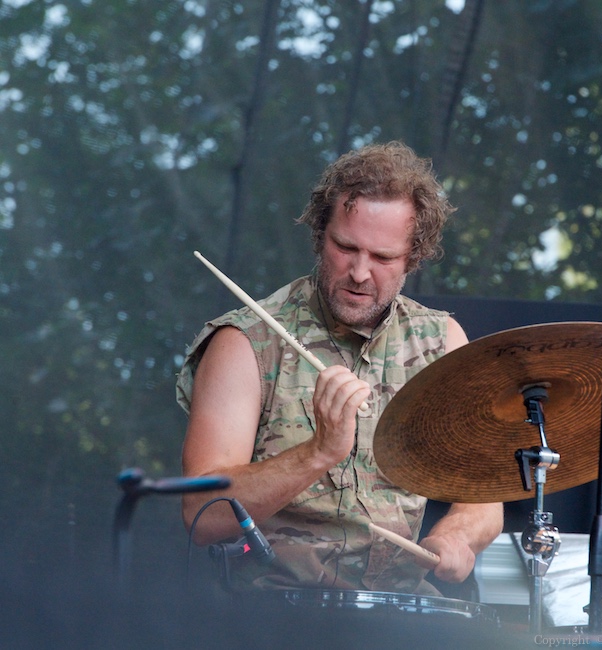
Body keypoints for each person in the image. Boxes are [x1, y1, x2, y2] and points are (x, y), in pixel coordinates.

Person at [177, 141, 503, 595]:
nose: (360, 272)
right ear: (319, 236)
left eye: (383, 257)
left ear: (414, 256)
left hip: (400, 611)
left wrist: (457, 535)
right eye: (345, 247)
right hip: (275, 614)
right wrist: (319, 451)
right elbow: (201, 512)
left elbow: (483, 496)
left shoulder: (441, 342)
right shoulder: (246, 343)